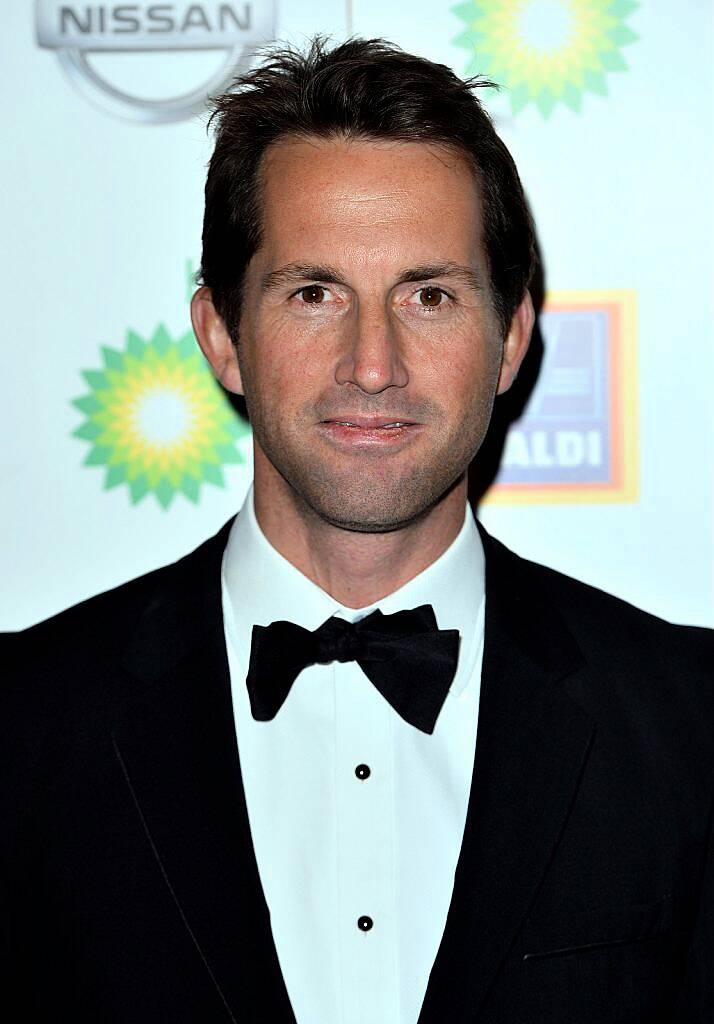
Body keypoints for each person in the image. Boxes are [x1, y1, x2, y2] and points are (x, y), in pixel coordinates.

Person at [2, 35, 712, 1024]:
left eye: (428, 295)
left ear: (509, 337)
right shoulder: (23, 729)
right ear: (222, 335)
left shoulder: (693, 729)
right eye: (314, 292)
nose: (371, 364)